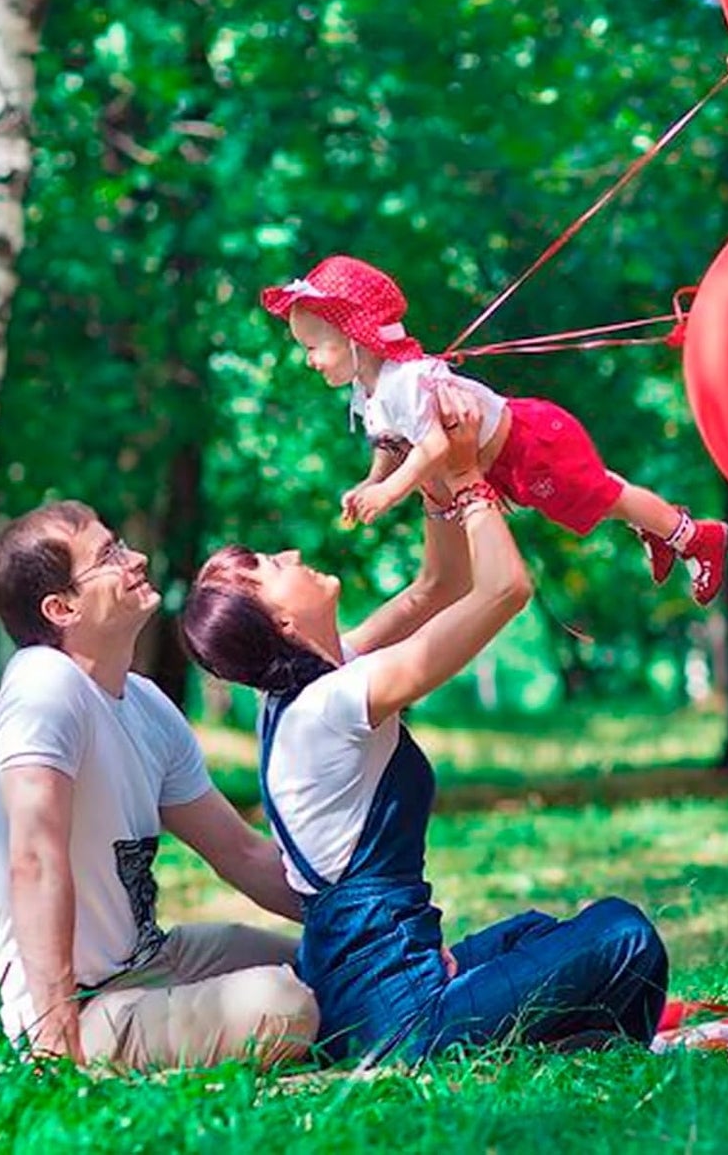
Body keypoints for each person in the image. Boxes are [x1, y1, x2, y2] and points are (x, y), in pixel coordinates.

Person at [180, 385, 670, 1065]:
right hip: (402, 1019)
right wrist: (469, 480)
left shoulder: (316, 682)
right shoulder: (330, 706)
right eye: (269, 568)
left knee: (532, 932)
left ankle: (556, 1043)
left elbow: (437, 588)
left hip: (372, 995)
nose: (289, 553)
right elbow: (504, 591)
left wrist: (433, 471)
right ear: (281, 623)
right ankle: (588, 1050)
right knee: (623, 934)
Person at [0, 500, 320, 1070]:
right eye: (108, 556)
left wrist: (370, 924)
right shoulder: (42, 684)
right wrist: (55, 1041)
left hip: (153, 960)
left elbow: (241, 853)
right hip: (83, 1004)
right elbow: (33, 859)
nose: (134, 559)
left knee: (332, 965)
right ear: (61, 608)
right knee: (285, 1006)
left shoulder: (146, 703)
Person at [260, 253, 728, 606]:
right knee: (593, 501)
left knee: (605, 496)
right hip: (505, 463)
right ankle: (657, 527)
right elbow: (390, 441)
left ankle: (693, 536)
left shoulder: (404, 381)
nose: (309, 360)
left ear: (354, 339)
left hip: (530, 444)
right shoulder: (368, 391)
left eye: (314, 347)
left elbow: (433, 446)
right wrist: (372, 480)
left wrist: (390, 492)